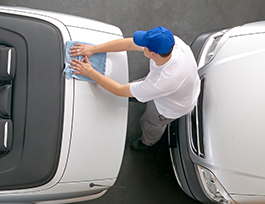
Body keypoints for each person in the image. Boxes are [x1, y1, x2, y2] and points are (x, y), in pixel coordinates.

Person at [68, 26, 200, 151]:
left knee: (150, 123)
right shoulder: (173, 43)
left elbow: (119, 90)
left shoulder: (160, 82)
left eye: (144, 46)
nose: (141, 46)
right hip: (180, 87)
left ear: (153, 53)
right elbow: (129, 44)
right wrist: (94, 49)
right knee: (141, 89)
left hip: (172, 107)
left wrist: (90, 72)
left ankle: (148, 142)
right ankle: (138, 96)